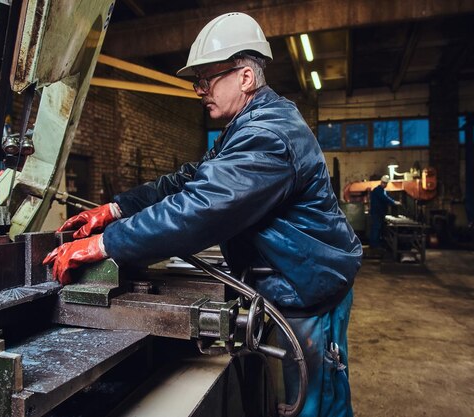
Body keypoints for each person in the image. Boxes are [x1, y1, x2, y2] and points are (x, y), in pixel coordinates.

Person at [43, 12, 362, 417]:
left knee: (316, 405)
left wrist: (104, 244)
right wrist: (114, 208)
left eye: (206, 80)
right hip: (289, 280)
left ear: (245, 77)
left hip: (310, 290)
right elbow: (187, 181)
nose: (199, 90)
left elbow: (198, 210)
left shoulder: (269, 136)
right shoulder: (247, 126)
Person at [368, 174, 401, 249]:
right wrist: (394, 202)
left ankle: (376, 244)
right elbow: (385, 198)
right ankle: (374, 245)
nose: (384, 185)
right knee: (376, 228)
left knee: (377, 229)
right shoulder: (378, 190)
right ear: (382, 182)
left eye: (385, 183)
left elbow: (386, 198)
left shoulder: (382, 191)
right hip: (376, 213)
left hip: (379, 213)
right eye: (384, 183)